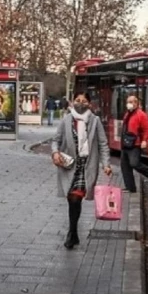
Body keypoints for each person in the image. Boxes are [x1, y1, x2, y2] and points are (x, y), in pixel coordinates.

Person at [51, 91, 112, 249]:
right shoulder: (66, 120)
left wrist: (106, 164)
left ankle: (71, 233)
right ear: (72, 102)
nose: (80, 103)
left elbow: (103, 144)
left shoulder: (95, 121)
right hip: (68, 165)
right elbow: (56, 140)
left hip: (86, 167)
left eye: (84, 101)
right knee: (71, 199)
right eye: (77, 100)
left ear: (89, 104)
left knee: (76, 199)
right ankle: (74, 232)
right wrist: (55, 152)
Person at [120, 94, 148, 193]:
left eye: (131, 102)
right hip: (126, 143)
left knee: (134, 163)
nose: (129, 104)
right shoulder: (127, 114)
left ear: (136, 103)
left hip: (135, 144)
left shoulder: (141, 115)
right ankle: (130, 187)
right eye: (128, 102)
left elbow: (147, 129)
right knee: (125, 165)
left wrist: (144, 140)